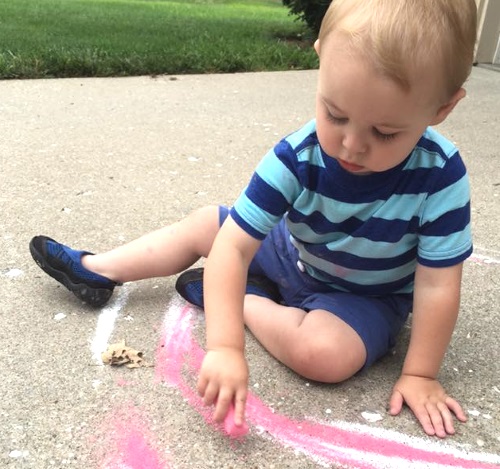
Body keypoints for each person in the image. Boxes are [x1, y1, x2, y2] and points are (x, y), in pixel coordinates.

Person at [30, 0, 477, 439]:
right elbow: (235, 244)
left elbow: (437, 283)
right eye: (335, 114)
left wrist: (420, 373)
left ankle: (240, 299)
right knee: (209, 224)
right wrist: (224, 348)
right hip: (295, 253)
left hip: (366, 298)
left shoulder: (440, 177)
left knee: (325, 356)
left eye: (385, 132)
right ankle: (99, 269)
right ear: (320, 60)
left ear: (441, 108)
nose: (351, 145)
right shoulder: (298, 155)